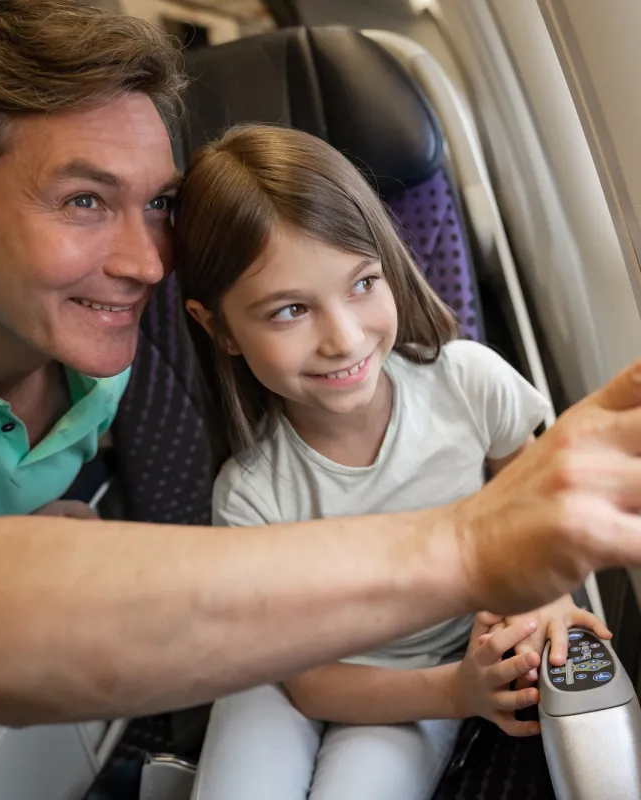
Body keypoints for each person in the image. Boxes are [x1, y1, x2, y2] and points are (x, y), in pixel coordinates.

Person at [0, 0, 641, 735]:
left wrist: (2, 537)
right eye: (84, 201)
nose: (148, 264)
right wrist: (474, 548)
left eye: (157, 204)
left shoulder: (77, 322)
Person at [174, 124, 612, 799]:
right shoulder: (251, 495)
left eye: (361, 284)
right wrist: (457, 690)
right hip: (288, 678)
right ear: (219, 327)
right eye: (291, 310)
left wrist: (544, 609)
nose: (344, 338)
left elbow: (536, 518)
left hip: (427, 679)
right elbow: (309, 682)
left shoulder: (469, 384)